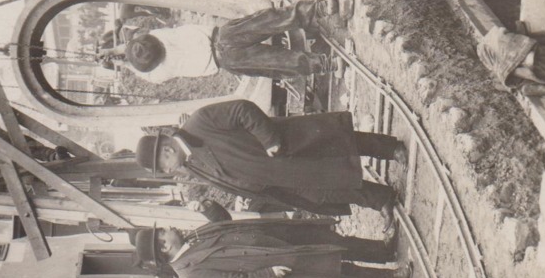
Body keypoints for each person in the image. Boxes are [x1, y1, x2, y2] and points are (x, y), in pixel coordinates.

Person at [135, 99, 408, 232]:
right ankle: (382, 200)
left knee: (339, 143)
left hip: (283, 148)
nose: (171, 172)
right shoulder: (193, 164)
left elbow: (242, 109)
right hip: (278, 182)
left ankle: (390, 148)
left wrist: (269, 140)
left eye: (165, 166)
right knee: (330, 190)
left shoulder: (200, 122)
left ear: (168, 149)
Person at [133, 220, 413, 278]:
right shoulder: (191, 276)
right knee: (337, 273)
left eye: (162, 230)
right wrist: (267, 276)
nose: (168, 231)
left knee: (332, 244)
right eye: (163, 237)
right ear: (164, 250)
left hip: (274, 240)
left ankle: (384, 251)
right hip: (275, 265)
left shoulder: (193, 237)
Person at [124, 0, 339, 84]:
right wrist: (120, 53)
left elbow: (146, 73)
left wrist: (122, 62)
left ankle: (323, 63)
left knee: (276, 59)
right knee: (273, 22)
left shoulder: (160, 71)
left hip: (223, 57)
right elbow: (137, 43)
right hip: (222, 38)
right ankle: (315, 10)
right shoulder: (157, 36)